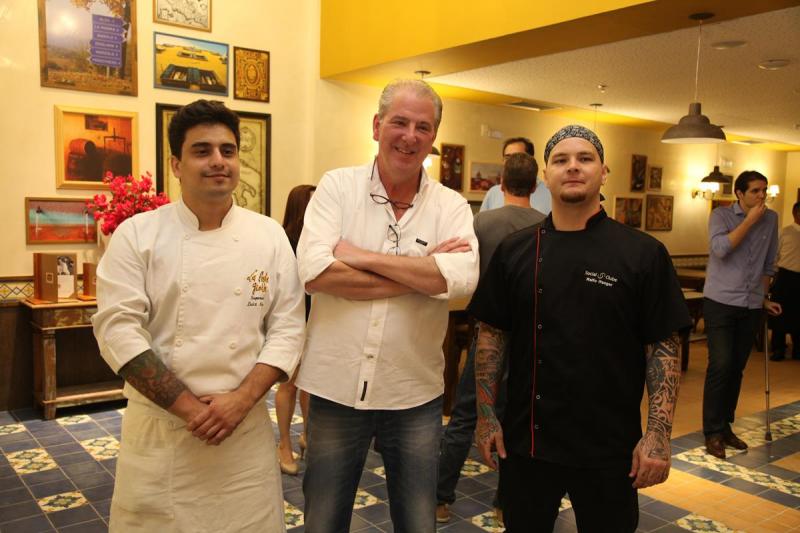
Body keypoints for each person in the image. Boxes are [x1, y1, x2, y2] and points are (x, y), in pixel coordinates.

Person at [92, 99, 306, 532]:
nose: (218, 161)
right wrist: (193, 411)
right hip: (162, 433)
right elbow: (118, 330)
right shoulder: (138, 235)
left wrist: (241, 401)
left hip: (243, 434)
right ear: (176, 164)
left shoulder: (268, 235)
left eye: (228, 150)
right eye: (202, 150)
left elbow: (288, 327)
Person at [471, 125, 691, 532]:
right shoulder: (515, 250)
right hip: (528, 442)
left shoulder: (642, 253)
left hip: (610, 447)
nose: (572, 167)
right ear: (545, 176)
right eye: (561, 160)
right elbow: (491, 335)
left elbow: (663, 347)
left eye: (585, 158)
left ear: (603, 172)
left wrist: (658, 435)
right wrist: (486, 417)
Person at [296, 79, 479, 533]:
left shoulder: (451, 206)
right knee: (323, 521)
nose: (410, 136)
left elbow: (460, 282)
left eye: (423, 127)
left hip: (413, 392)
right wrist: (422, 274)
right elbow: (315, 274)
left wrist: (358, 256)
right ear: (377, 126)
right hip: (335, 388)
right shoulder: (337, 187)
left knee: (418, 523)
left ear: (433, 137)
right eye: (400, 122)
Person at [436, 152, 545, 523]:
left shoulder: (482, 221)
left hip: (486, 332)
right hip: (530, 336)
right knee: (516, 418)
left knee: (465, 415)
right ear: (536, 185)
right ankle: (504, 504)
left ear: (501, 183)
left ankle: (439, 499)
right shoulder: (546, 225)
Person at [703, 170, 782, 458]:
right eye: (755, 191)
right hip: (720, 301)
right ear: (740, 193)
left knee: (736, 368)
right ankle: (712, 431)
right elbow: (720, 249)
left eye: (764, 190)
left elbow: (769, 263)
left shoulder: (771, 219)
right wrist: (749, 221)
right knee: (721, 365)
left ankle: (725, 426)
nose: (762, 196)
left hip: (751, 304)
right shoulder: (721, 216)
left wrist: (764, 299)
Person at [275, 184, 316, 474]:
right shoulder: (285, 241)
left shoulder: (320, 240)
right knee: (289, 384)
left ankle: (307, 435)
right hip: (293, 320)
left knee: (311, 384)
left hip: (319, 319)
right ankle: (284, 443)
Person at [479, 137, 551, 214]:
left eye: (518, 157)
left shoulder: (550, 193)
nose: (512, 162)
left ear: (531, 160)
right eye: (507, 158)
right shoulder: (493, 193)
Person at [769, 201, 800, 361]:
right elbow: (774, 256)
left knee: (799, 314)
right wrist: (773, 275)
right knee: (779, 313)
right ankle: (778, 348)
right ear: (796, 213)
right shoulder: (784, 232)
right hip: (785, 276)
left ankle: (798, 349)